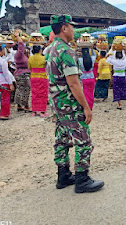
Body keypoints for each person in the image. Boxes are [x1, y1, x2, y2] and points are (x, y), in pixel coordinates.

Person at [46, 14, 104, 193]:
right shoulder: (66, 51)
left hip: (57, 103)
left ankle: (63, 175)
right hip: (69, 104)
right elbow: (73, 83)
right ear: (64, 28)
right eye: (71, 26)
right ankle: (82, 179)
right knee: (83, 140)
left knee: (61, 139)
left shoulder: (50, 49)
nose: (73, 30)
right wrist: (86, 107)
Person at [28, 45, 49, 117]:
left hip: (33, 77)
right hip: (42, 76)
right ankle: (42, 111)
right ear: (40, 50)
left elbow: (29, 67)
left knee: (34, 93)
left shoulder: (30, 58)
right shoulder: (44, 58)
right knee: (43, 94)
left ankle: (34, 111)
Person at [14, 31, 32, 113]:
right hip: (22, 74)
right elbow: (21, 45)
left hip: (21, 73)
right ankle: (25, 105)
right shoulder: (18, 54)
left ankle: (20, 105)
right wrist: (17, 36)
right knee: (25, 89)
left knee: (20, 89)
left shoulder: (22, 55)